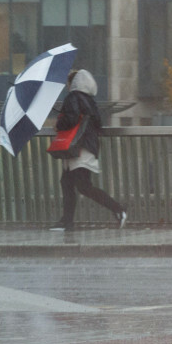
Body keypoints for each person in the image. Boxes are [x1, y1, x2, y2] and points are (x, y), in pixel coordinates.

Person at [50, 69, 127, 231]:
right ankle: (67, 222)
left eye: (68, 84)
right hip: (87, 147)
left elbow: (70, 120)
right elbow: (98, 124)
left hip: (78, 148)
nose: (67, 87)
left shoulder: (72, 97)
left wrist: (59, 124)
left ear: (73, 83)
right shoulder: (90, 101)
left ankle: (119, 209)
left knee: (83, 186)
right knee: (67, 183)